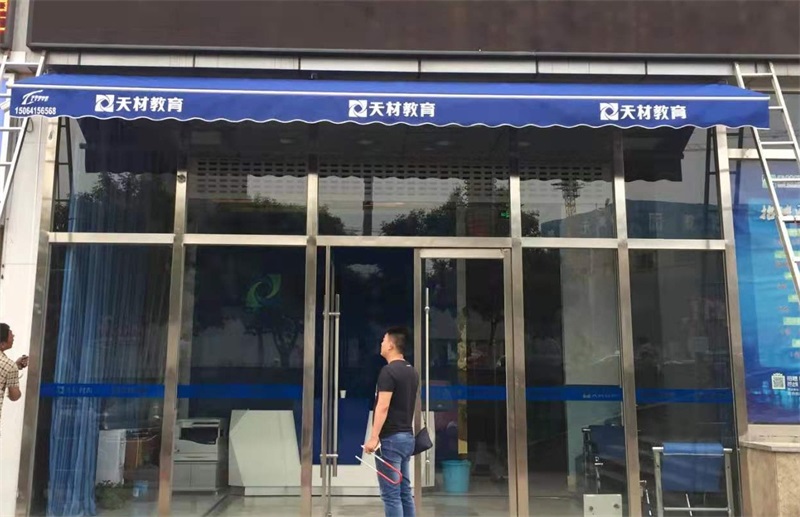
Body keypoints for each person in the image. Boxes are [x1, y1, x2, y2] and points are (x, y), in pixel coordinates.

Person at [364, 326, 419, 517]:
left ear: (391, 345)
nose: (381, 343)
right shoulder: (411, 371)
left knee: (391, 495)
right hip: (406, 437)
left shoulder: (388, 372)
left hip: (391, 440)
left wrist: (374, 437)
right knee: (404, 492)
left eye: (384, 340)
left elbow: (383, 406)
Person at [0, 323, 28, 430]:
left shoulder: (10, 366)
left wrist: (15, 367)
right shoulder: (9, 366)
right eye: (10, 335)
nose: (13, 336)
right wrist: (14, 373)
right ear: (2, 344)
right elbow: (14, 396)